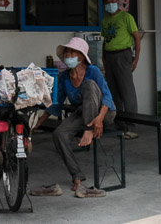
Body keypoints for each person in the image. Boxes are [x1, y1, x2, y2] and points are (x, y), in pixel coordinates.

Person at [30, 37, 116, 198]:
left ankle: (88, 130)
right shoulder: (64, 77)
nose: (68, 55)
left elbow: (107, 97)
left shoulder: (93, 71)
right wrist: (41, 120)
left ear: (82, 56)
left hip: (104, 113)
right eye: (67, 53)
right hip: (83, 114)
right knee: (59, 134)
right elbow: (57, 102)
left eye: (72, 52)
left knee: (89, 85)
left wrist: (96, 122)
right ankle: (77, 177)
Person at [100, 0, 141, 139]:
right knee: (113, 91)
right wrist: (103, 56)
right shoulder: (105, 20)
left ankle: (132, 127)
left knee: (127, 91)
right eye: (106, 1)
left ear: (117, 1)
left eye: (112, 0)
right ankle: (119, 124)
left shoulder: (126, 17)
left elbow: (137, 37)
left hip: (123, 54)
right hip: (109, 56)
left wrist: (136, 58)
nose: (109, 3)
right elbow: (105, 40)